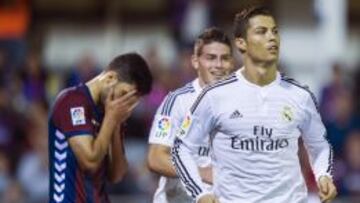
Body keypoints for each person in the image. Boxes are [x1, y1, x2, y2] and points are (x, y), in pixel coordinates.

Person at [172, 6, 337, 203]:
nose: (272, 37)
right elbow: (181, 148)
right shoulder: (215, 96)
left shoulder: (300, 95)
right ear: (241, 43)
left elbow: (319, 145)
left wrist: (323, 175)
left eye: (275, 31)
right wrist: (200, 193)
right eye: (262, 31)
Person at [48, 53, 153, 203]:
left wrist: (116, 125)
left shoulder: (111, 111)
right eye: (123, 94)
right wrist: (110, 119)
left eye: (130, 102)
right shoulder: (72, 101)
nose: (124, 105)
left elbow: (117, 175)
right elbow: (90, 162)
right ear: (110, 78)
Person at [147, 27, 234, 203]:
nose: (218, 65)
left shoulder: (241, 103)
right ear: (195, 61)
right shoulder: (177, 101)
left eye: (224, 58)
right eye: (210, 58)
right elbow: (156, 158)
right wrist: (202, 174)